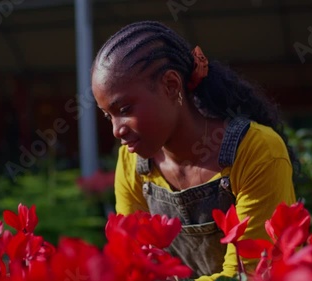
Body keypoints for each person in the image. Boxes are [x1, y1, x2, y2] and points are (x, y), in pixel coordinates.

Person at [91, 21, 298, 281]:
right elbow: (134, 262)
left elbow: (251, 271)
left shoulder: (257, 151)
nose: (116, 130)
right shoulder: (132, 161)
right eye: (107, 115)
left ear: (171, 85)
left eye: (124, 110)